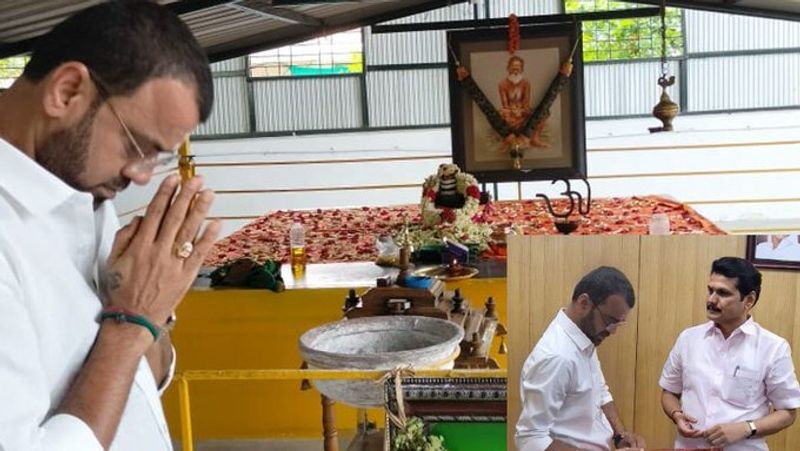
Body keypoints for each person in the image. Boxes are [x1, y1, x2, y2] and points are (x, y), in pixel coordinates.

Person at [0, 3, 219, 450]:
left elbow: (144, 378)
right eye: (138, 144)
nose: (141, 175)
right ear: (66, 90)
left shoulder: (82, 194)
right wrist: (132, 322)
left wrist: (155, 309)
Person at [659, 257, 800, 450]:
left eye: (723, 293)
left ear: (748, 300)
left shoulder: (773, 347)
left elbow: (787, 412)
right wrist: (676, 414)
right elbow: (669, 391)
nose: (711, 300)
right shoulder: (688, 339)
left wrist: (745, 428)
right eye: (710, 290)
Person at [515, 266, 646, 451]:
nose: (613, 331)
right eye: (609, 321)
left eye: (618, 323)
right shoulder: (558, 357)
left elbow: (601, 392)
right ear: (584, 303)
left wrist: (620, 435)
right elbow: (530, 439)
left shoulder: (585, 339)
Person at [497, 55, 547, 148]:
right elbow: (505, 104)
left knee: (544, 113)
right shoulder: (502, 84)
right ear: (508, 68)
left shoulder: (526, 83)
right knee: (499, 114)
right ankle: (508, 139)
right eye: (513, 68)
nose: (515, 71)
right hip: (509, 112)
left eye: (518, 68)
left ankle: (535, 138)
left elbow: (526, 102)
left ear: (522, 69)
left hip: (523, 112)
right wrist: (511, 112)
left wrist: (521, 111)